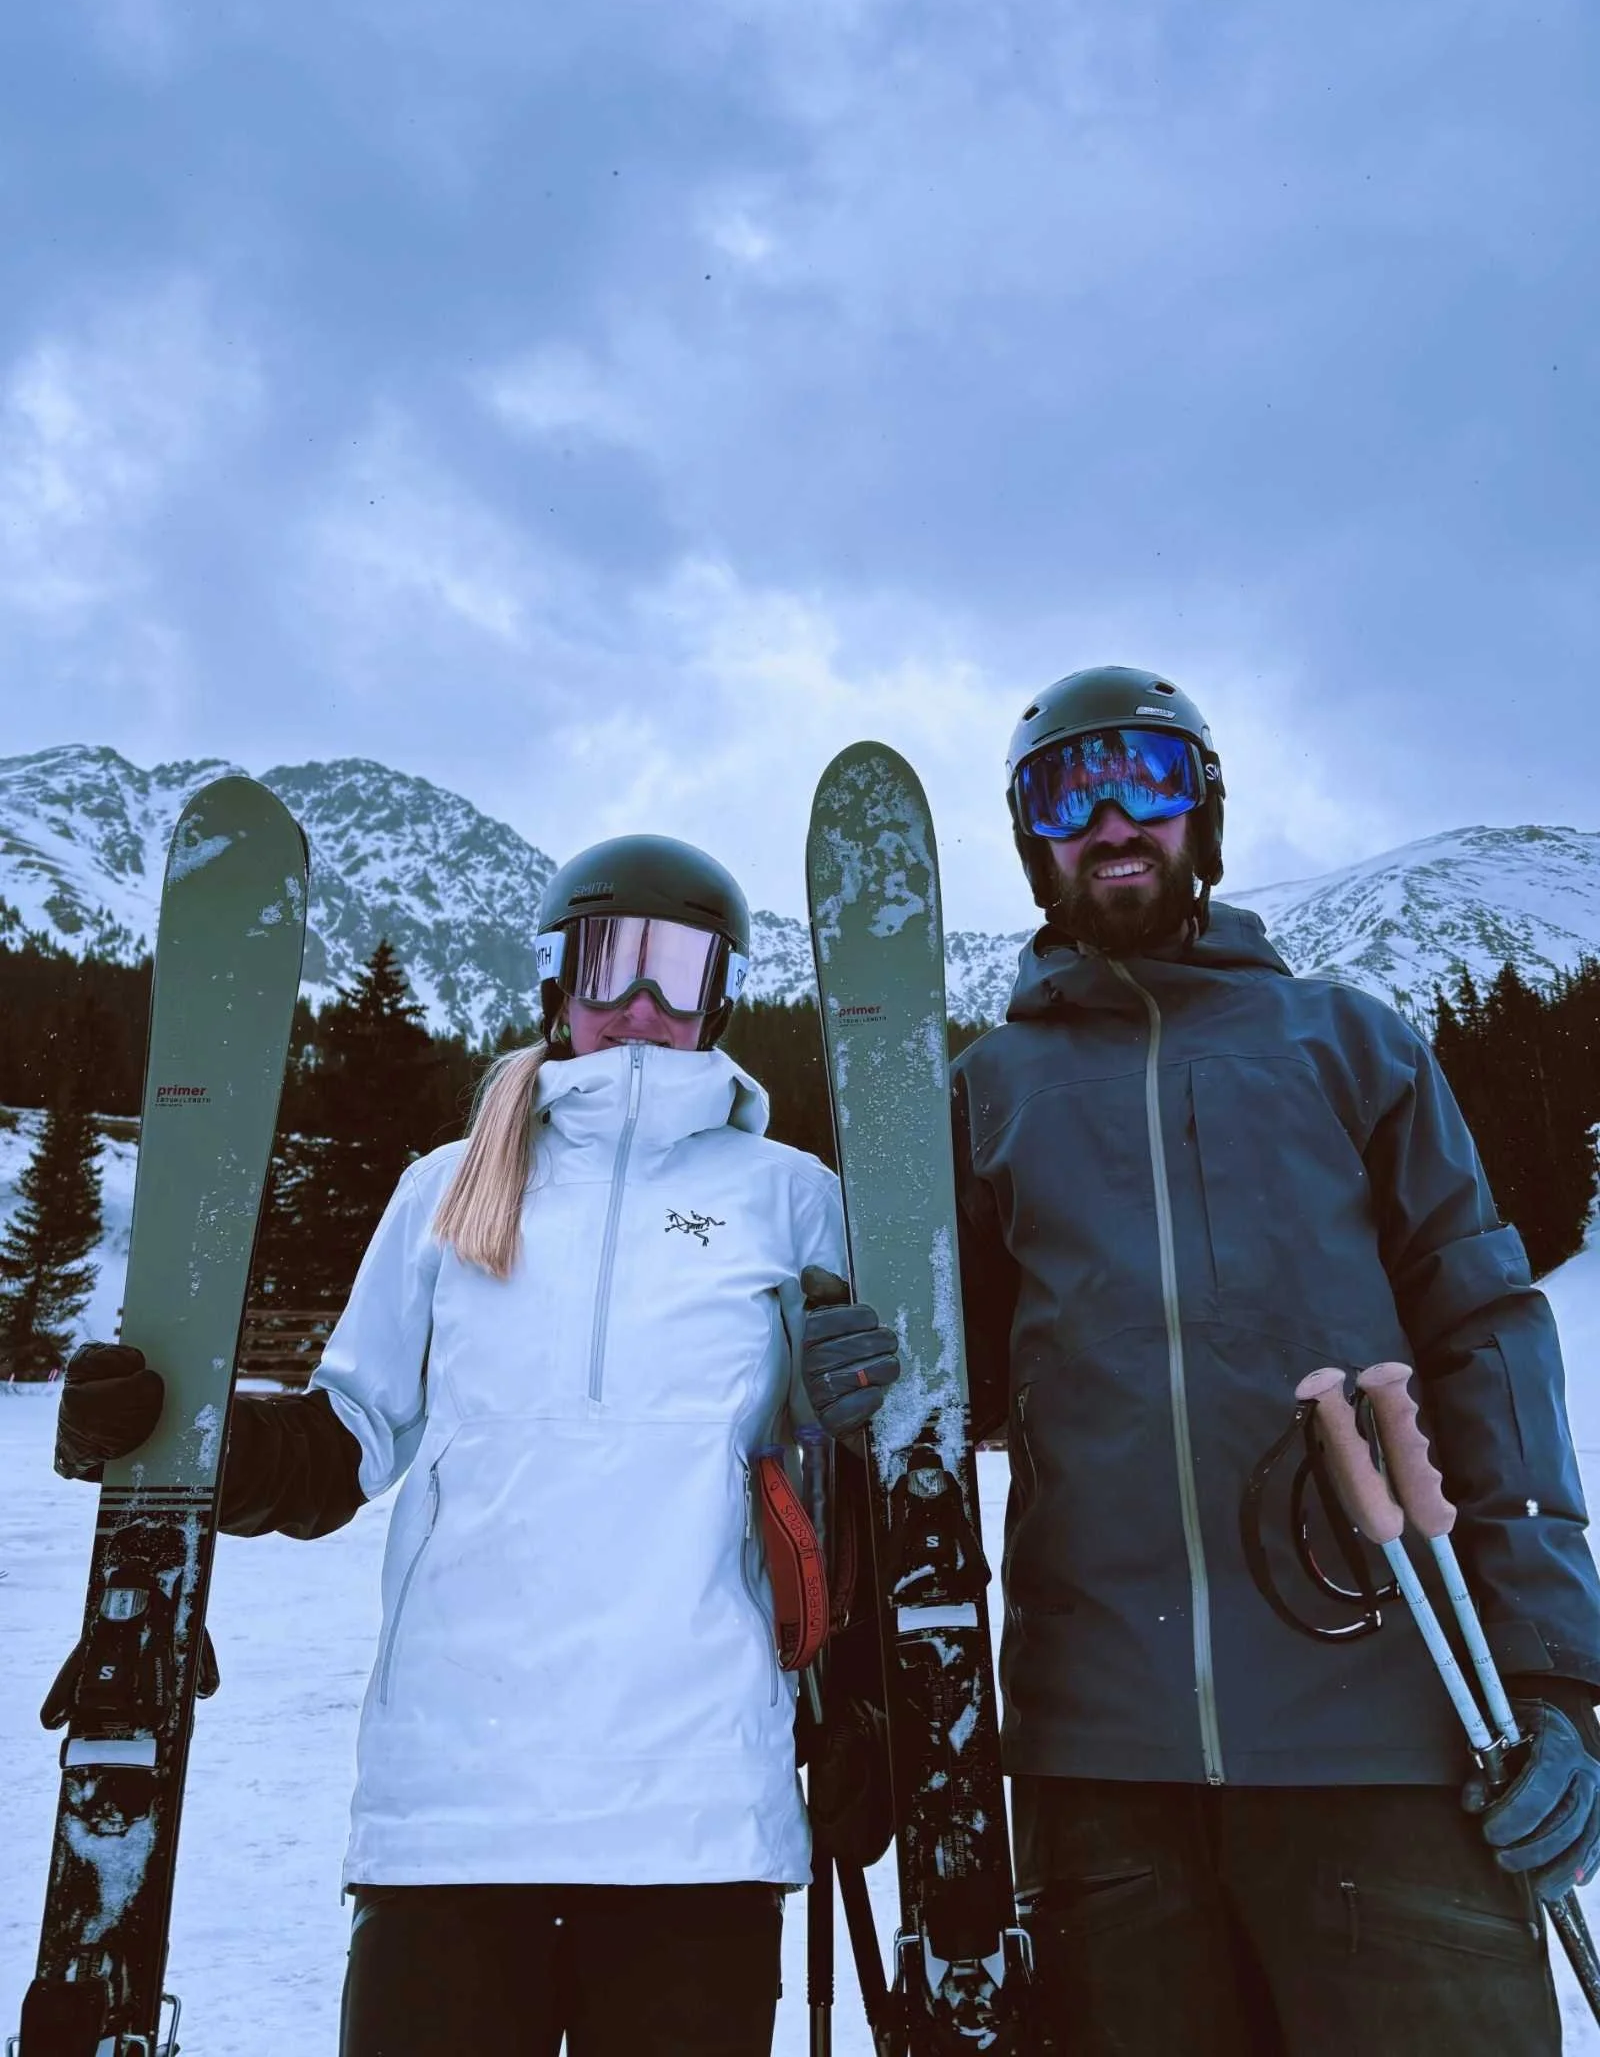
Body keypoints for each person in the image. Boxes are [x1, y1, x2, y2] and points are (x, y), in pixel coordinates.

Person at [55, 834, 900, 2057]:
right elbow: (349, 1432)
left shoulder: (791, 1192)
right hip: (453, 1802)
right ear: (557, 982)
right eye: (612, 963)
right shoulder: (447, 1187)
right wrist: (192, 1443)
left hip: (696, 1803)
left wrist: (841, 1424)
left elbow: (833, 1478)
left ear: (722, 995)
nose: (641, 1005)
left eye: (680, 970)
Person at [951, 665, 1600, 2055]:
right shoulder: (986, 1092)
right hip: (1104, 1774)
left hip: (1394, 1744)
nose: (1113, 816)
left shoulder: (1347, 1045)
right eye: (1069, 789)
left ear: (1207, 812)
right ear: (1032, 840)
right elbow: (940, 1385)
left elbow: (1487, 1341)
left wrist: (1553, 1673)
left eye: (1149, 777)